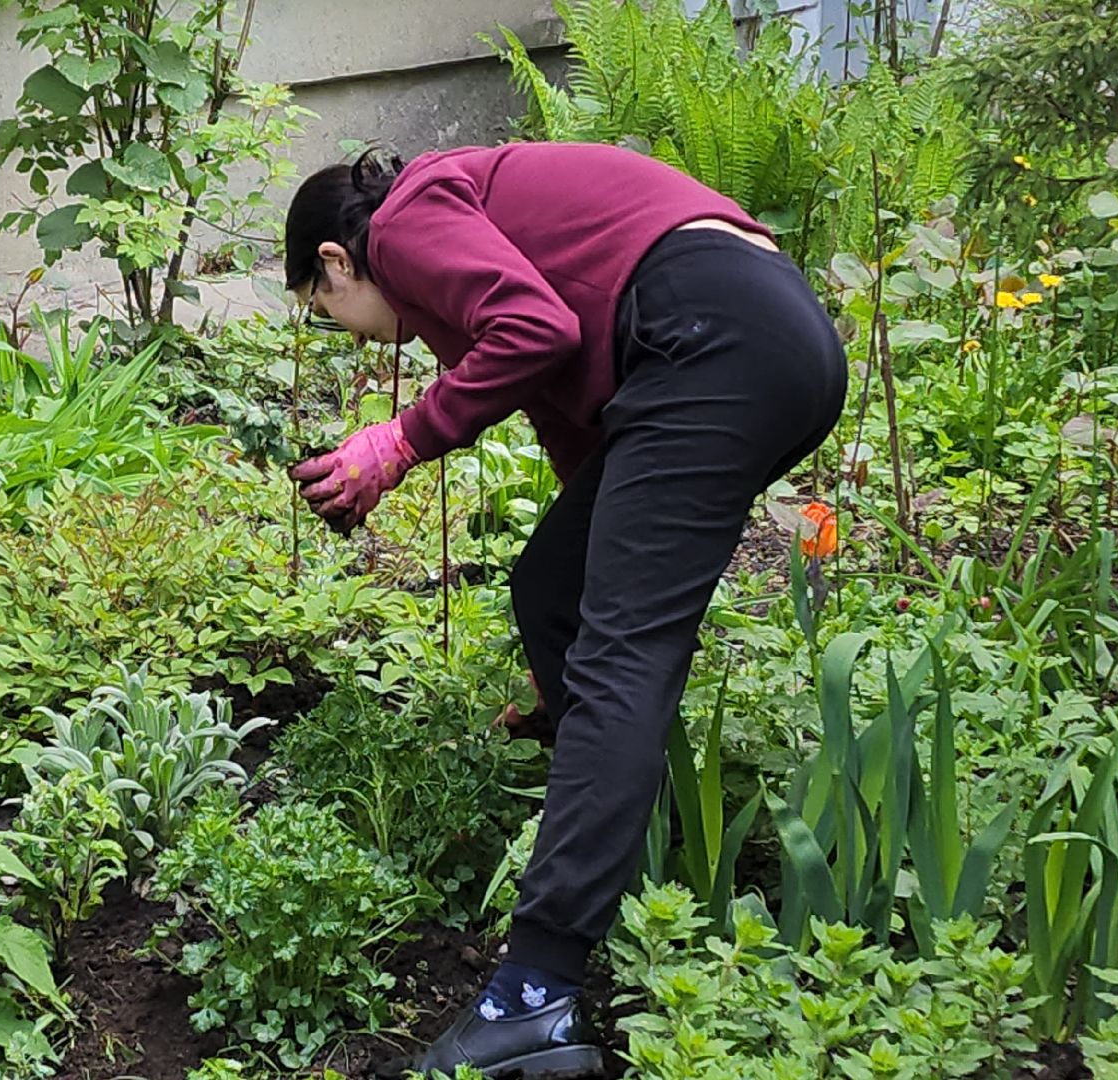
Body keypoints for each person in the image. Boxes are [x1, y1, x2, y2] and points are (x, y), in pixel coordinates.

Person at [281, 141, 848, 1077]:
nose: (353, 335)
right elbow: (569, 410)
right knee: (553, 585)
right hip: (752, 332)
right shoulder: (464, 229)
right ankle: (595, 789)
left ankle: (531, 999)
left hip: (711, 335)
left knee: (624, 657)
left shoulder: (407, 219)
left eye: (327, 312)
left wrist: (404, 438)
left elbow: (533, 329)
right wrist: (562, 695)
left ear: (338, 263)